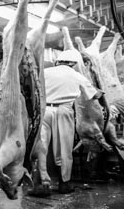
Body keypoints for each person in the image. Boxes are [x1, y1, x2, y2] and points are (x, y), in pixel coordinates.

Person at [37, 49, 102, 194]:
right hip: (64, 111)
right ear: (74, 63)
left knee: (41, 147)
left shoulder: (45, 72)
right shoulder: (76, 75)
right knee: (64, 149)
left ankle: (41, 185)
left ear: (58, 61)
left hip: (44, 110)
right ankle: (64, 184)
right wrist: (100, 91)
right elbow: (94, 95)